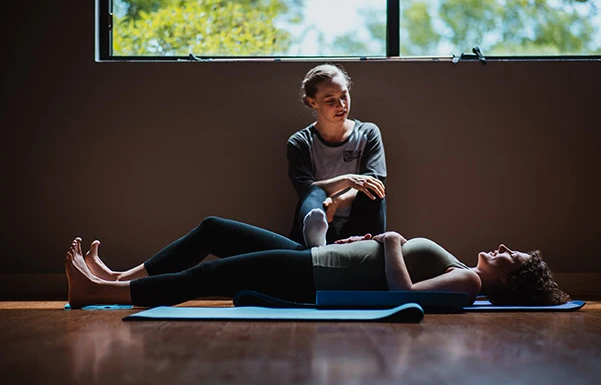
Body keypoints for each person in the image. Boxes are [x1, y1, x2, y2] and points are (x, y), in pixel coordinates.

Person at [65, 216, 570, 309]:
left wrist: (392, 243)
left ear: (508, 281)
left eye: (512, 257)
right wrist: (378, 243)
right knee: (215, 229)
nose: (503, 248)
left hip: (314, 275)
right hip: (316, 259)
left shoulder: (467, 281)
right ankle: (116, 277)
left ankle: (97, 293)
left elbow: (404, 298)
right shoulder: (462, 270)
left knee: (213, 275)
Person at [287, 64, 387, 247]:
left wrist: (339, 201)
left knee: (373, 189)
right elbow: (304, 188)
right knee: (314, 191)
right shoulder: (301, 142)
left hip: (360, 220)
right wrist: (346, 180)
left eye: (344, 96)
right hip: (321, 214)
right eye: (330, 100)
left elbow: (375, 180)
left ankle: (367, 246)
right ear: (312, 102)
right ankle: (317, 244)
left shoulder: (368, 132)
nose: (341, 105)